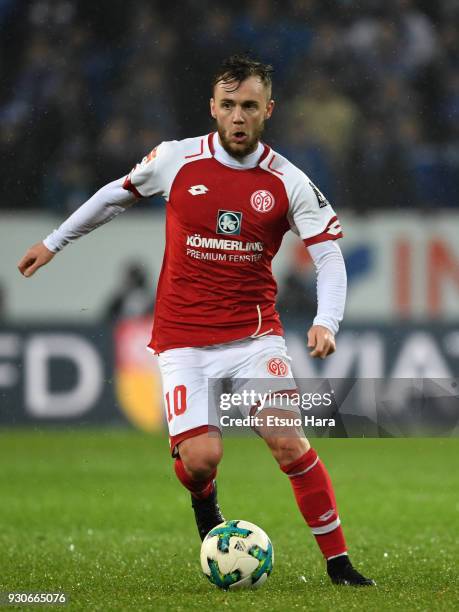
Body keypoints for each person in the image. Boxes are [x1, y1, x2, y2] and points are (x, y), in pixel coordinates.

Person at [18, 55, 375, 587]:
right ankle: (204, 501)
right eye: (228, 105)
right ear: (212, 107)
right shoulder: (176, 159)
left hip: (256, 337)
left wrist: (327, 320)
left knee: (286, 438)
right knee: (202, 459)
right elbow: (114, 195)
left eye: (249, 106)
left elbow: (328, 256)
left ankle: (340, 565)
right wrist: (54, 242)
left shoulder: (288, 181)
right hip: (182, 341)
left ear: (267, 111)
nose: (237, 116)